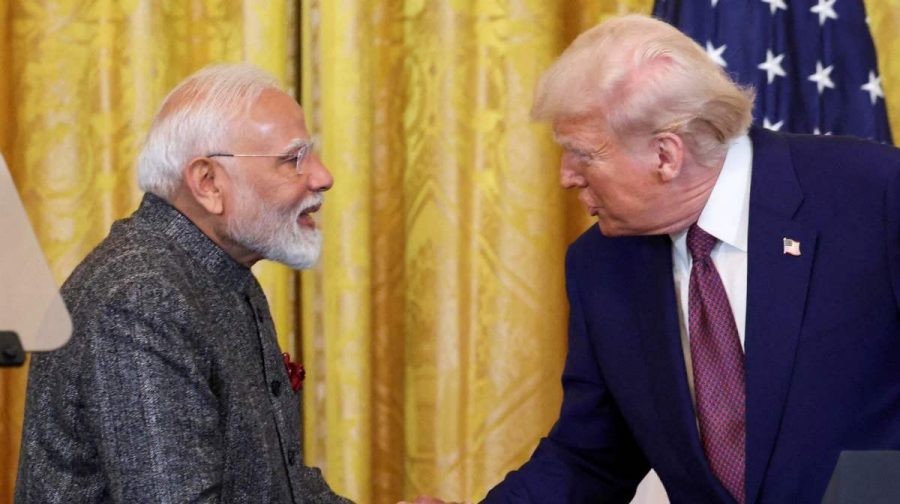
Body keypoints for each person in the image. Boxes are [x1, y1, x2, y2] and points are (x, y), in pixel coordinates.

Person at [407, 13, 900, 504]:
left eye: (583, 154)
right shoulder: (600, 265)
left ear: (666, 155)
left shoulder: (873, 197)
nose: (566, 176)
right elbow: (591, 458)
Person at [16, 64, 352, 503]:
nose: (323, 176)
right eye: (294, 159)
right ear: (208, 182)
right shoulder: (141, 299)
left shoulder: (217, 272)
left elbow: (274, 486)